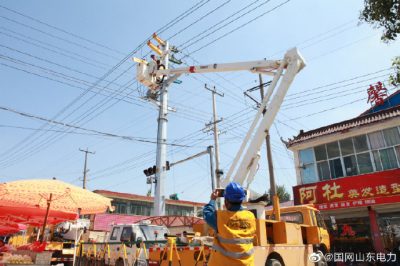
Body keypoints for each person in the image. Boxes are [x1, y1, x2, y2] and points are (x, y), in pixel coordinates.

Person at [203, 182, 256, 266]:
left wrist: (213, 199)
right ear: (242, 200)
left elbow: (207, 213)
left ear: (226, 201)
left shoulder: (220, 217)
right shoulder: (251, 216)